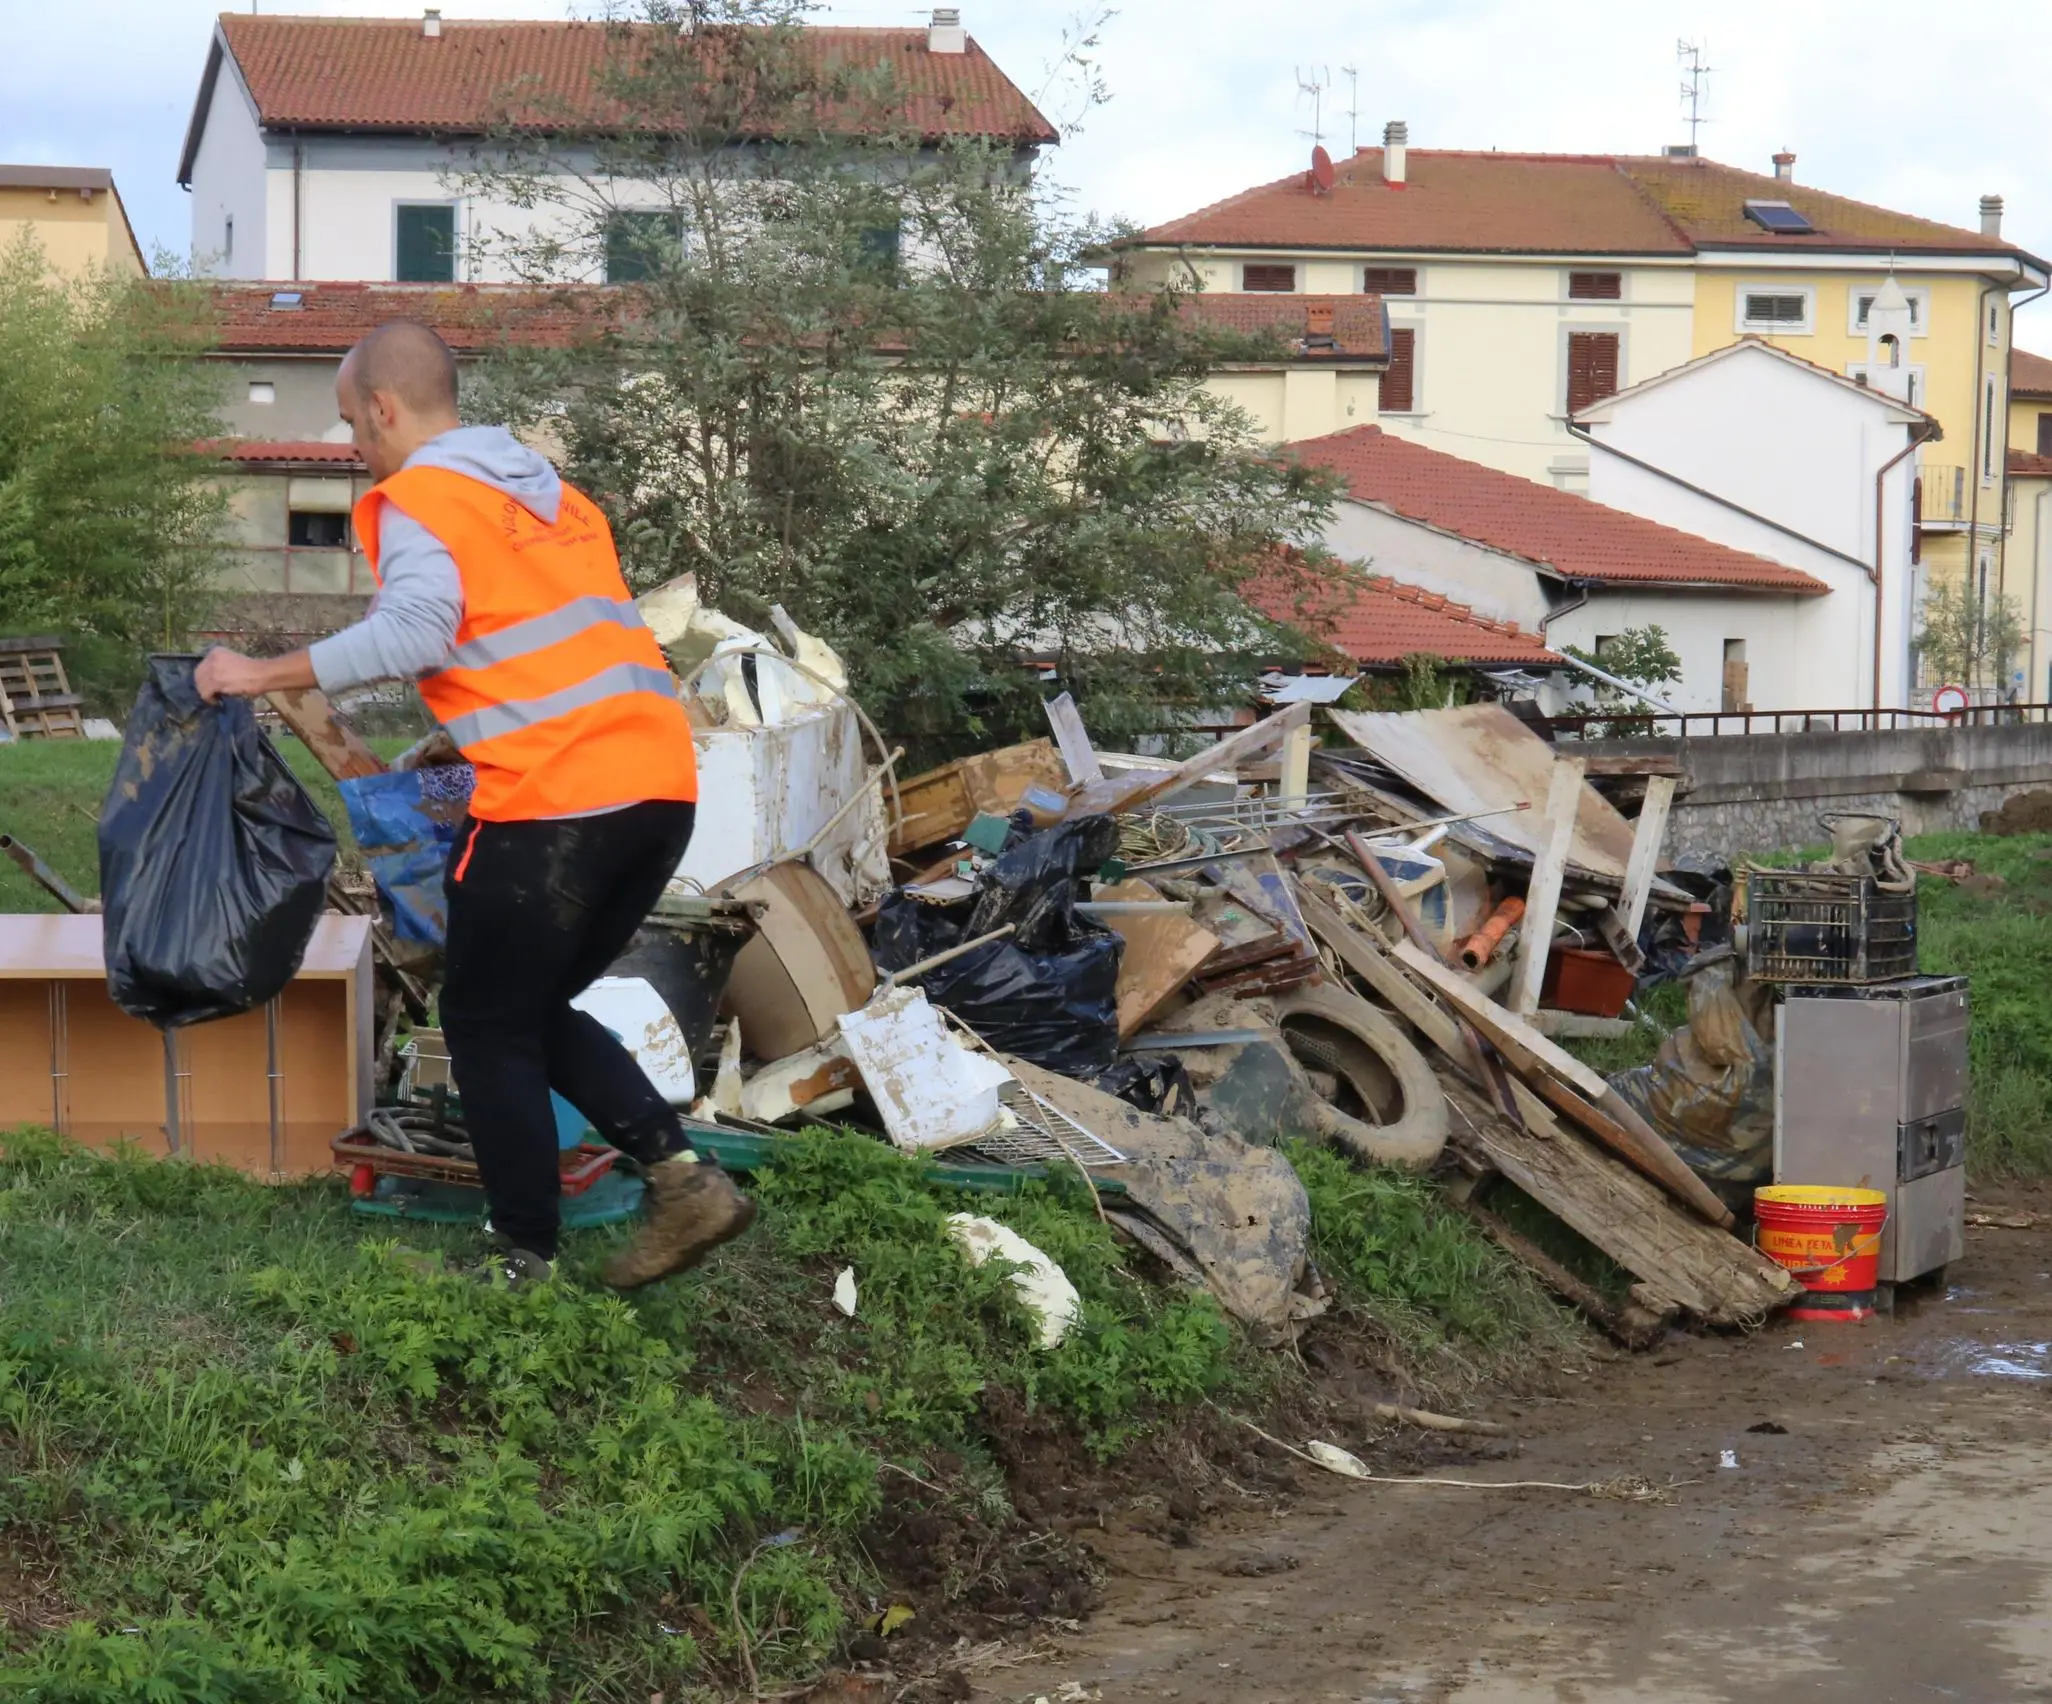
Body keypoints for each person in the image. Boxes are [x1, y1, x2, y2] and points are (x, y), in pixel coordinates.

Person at [197, 319, 754, 1289]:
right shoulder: (553, 501)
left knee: (485, 1018)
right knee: (526, 1006)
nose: (352, 450)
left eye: (349, 426)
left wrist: (258, 671)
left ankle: (521, 1257)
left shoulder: (421, 497)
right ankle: (682, 1180)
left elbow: (414, 629)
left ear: (382, 407)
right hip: (658, 785)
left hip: (556, 798)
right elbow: (506, 639)